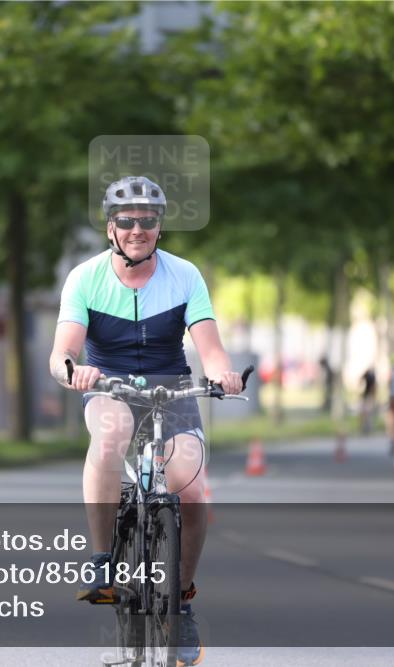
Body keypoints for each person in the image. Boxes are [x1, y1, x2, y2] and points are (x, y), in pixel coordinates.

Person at [49, 175, 242, 666]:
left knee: (192, 488)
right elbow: (63, 352)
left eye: (148, 221)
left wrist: (223, 375)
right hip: (109, 384)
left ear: (160, 226)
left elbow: (211, 348)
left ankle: (179, 599)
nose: (138, 229)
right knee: (111, 435)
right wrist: (74, 370)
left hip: (171, 387)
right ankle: (101, 561)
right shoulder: (85, 278)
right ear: (111, 227)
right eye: (127, 221)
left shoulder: (185, 276)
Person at [360, 367, 377, 435]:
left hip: (368, 396)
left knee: (367, 412)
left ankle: (368, 428)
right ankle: (366, 427)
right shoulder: (369, 376)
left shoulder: (371, 376)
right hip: (367, 395)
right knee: (366, 412)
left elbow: (374, 387)